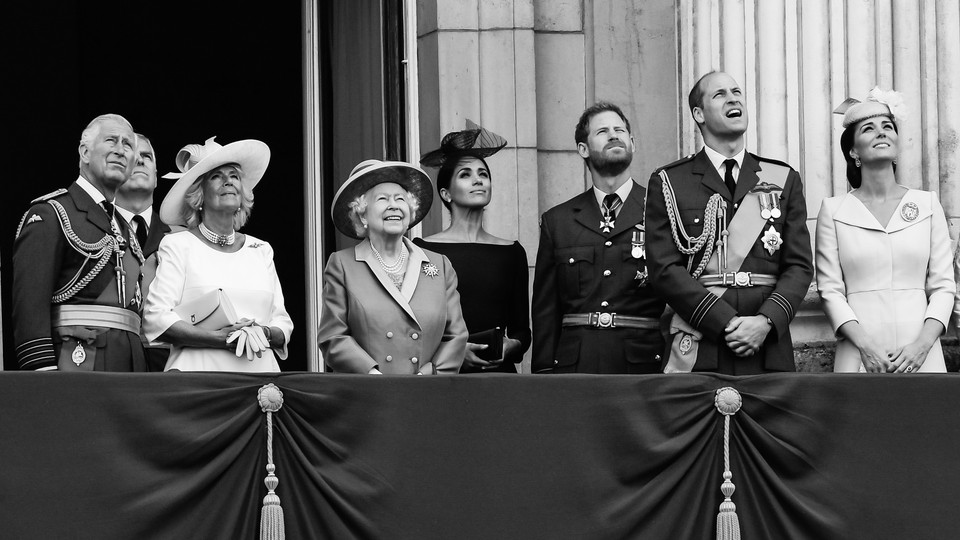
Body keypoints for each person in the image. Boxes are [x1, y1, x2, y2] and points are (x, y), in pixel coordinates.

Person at [645, 71, 813, 374]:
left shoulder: (782, 178)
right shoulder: (670, 181)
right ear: (699, 114)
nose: (733, 98)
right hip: (702, 339)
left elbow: (799, 266)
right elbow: (664, 269)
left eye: (737, 91)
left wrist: (765, 322)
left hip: (767, 344)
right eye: (719, 94)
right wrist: (724, 321)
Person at [816, 88, 954, 373]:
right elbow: (830, 290)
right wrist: (865, 346)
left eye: (887, 127)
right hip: (859, 354)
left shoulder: (927, 204)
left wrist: (922, 346)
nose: (881, 133)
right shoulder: (833, 210)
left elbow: (943, 286)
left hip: (921, 354)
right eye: (869, 128)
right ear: (853, 150)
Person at [531, 102, 665, 374]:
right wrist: (544, 374)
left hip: (645, 364)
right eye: (602, 131)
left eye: (620, 130)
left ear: (633, 143)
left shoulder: (662, 210)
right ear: (583, 149)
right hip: (577, 366)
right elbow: (546, 308)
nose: (614, 135)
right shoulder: (558, 221)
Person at [142, 137, 293, 372]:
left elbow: (282, 324)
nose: (228, 182)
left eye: (234, 176)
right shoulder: (177, 245)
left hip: (260, 381)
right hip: (198, 379)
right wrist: (221, 339)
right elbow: (157, 319)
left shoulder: (261, 250)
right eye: (216, 177)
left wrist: (262, 332)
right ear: (199, 196)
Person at [12, 113, 147, 371]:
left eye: (128, 145)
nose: (121, 150)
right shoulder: (52, 213)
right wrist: (41, 370)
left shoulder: (125, 227)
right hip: (78, 361)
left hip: (131, 365)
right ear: (85, 152)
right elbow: (30, 302)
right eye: (111, 141)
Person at [318, 159, 468, 375]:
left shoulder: (440, 265)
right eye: (382, 199)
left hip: (428, 393)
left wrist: (429, 375)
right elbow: (333, 336)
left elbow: (456, 335)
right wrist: (373, 375)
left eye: (400, 199)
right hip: (369, 394)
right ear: (362, 214)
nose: (394, 205)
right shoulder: (343, 265)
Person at [415, 123, 531, 373]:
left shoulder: (511, 251)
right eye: (465, 174)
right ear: (446, 194)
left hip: (499, 379)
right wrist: (453, 352)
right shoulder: (422, 250)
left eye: (483, 174)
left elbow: (522, 329)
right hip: (445, 379)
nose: (478, 180)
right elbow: (416, 327)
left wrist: (510, 346)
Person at [115, 133, 172, 371]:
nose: (140, 161)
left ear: (157, 177)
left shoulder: (182, 238)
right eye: (131, 155)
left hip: (170, 364)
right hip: (112, 361)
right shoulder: (90, 231)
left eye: (147, 156)